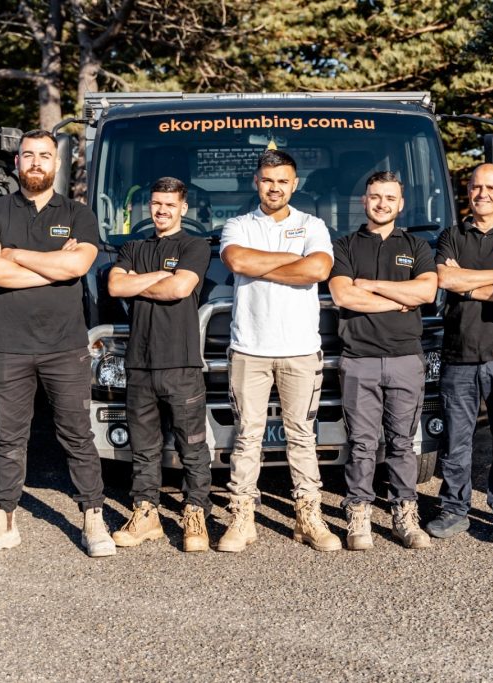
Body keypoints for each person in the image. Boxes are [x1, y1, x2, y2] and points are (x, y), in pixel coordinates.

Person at [0, 129, 114, 560]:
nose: (35, 163)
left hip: (64, 345)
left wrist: (16, 254)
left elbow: (79, 264)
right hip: (8, 345)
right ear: (17, 163)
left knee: (76, 434)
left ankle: (92, 516)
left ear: (56, 164)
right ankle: (3, 521)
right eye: (28, 155)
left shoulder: (78, 213)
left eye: (44, 156)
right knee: (8, 437)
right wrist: (53, 267)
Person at [217, 149, 341, 553]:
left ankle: (309, 517)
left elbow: (318, 270)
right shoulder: (238, 225)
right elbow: (235, 259)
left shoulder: (313, 224)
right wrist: (292, 260)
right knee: (247, 437)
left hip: (300, 351)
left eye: (283, 180)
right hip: (249, 350)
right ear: (257, 182)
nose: (275, 187)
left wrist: (261, 265)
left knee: (302, 437)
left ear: (294, 184)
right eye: (268, 180)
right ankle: (241, 517)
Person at [329, 171, 438, 551]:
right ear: (364, 200)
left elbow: (426, 289)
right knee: (360, 443)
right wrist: (399, 301)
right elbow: (344, 296)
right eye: (375, 197)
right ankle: (358, 512)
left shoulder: (418, 246)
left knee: (402, 443)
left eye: (389, 198)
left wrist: (371, 284)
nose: (381, 204)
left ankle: (404, 514)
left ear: (400, 203)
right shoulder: (343, 246)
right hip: (358, 358)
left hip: (405, 358)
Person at [106, 177, 212, 552]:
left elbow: (180, 288)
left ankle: (196, 513)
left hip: (180, 364)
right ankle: (145, 513)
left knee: (192, 445)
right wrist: (160, 278)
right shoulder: (133, 246)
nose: (162, 210)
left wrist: (140, 281)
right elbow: (116, 287)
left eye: (169, 204)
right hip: (139, 364)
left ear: (183, 208)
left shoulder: (195, 246)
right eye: (156, 203)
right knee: (143, 446)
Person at [427, 163, 493, 544]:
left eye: (491, 187)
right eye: (475, 187)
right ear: (466, 191)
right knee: (456, 440)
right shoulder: (452, 235)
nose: (482, 193)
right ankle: (454, 510)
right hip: (459, 354)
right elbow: (445, 278)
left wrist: (468, 282)